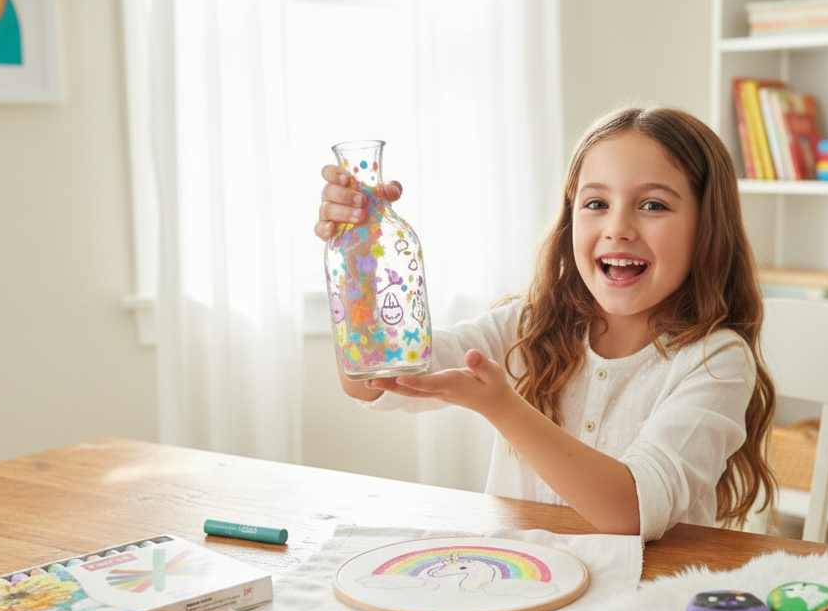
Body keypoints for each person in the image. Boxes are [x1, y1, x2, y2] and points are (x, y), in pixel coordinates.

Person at [314, 105, 776, 540]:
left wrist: (502, 406)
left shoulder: (716, 361)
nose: (618, 227)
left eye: (653, 205)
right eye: (596, 204)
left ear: (707, 226)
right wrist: (357, 256)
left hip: (641, 601)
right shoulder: (529, 325)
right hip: (519, 583)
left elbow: (632, 511)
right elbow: (375, 380)